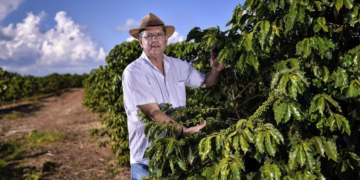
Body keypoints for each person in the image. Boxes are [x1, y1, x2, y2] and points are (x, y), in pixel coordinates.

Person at [122, 13, 225, 180]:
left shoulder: (178, 66)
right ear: (141, 42)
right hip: (147, 160)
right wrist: (184, 131)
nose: (154, 39)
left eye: (159, 35)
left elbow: (206, 83)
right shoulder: (134, 72)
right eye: (148, 36)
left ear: (166, 40)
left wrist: (215, 70)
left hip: (177, 154)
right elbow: (154, 113)